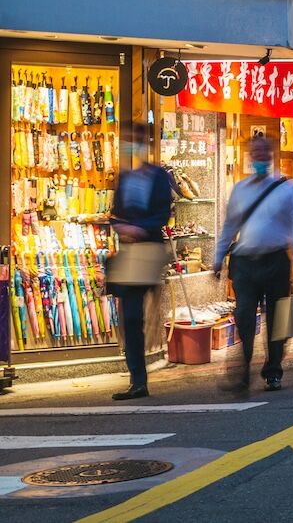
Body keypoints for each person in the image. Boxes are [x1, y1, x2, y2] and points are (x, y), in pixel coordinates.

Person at [214, 136, 293, 393]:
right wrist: (217, 257)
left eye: (264, 150)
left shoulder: (289, 188)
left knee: (278, 319)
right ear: (249, 155)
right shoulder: (240, 189)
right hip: (246, 262)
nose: (259, 155)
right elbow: (229, 227)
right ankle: (243, 369)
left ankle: (273, 371)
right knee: (244, 315)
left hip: (276, 260)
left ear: (272, 155)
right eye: (255, 151)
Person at [108, 122, 173, 400]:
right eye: (127, 140)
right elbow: (115, 213)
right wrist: (120, 227)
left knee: (140, 313)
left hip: (148, 249)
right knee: (131, 315)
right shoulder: (124, 178)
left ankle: (141, 376)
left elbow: (164, 213)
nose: (131, 144)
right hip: (128, 251)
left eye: (135, 139)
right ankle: (138, 380)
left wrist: (139, 228)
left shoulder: (159, 176)